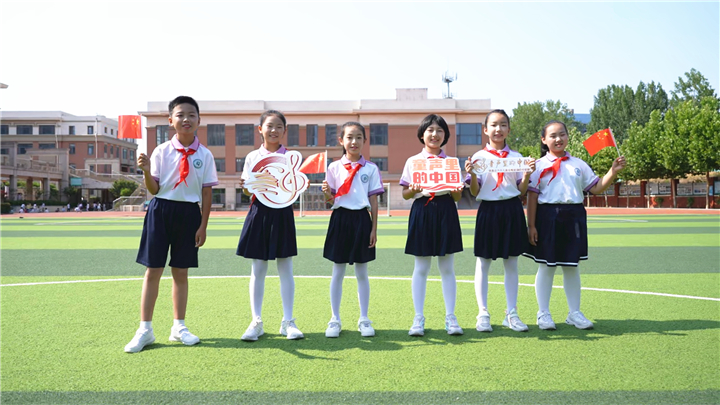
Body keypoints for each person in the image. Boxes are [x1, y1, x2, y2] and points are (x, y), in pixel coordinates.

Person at [124, 96, 219, 353]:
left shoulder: (205, 155)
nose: (186, 119)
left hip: (189, 214)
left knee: (181, 272)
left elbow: (207, 192)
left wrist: (203, 226)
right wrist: (146, 171)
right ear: (170, 120)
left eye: (191, 115)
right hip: (161, 211)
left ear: (199, 120)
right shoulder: (161, 151)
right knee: (153, 270)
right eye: (180, 115)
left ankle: (179, 327)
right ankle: (145, 329)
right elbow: (154, 190)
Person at [524, 120, 626, 330]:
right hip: (547, 216)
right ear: (544, 140)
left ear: (568, 137)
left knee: (571, 266)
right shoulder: (537, 166)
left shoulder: (579, 164)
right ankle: (543, 313)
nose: (558, 139)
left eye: (562, 134)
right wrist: (531, 226)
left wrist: (613, 171)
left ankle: (574, 313)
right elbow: (532, 197)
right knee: (546, 266)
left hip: (574, 216)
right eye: (553, 135)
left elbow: (596, 188)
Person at [464, 109, 535, 333]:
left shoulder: (517, 158)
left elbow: (521, 190)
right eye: (493, 125)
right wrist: (472, 174)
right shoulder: (478, 158)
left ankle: (511, 313)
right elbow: (474, 192)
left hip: (512, 209)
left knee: (511, 262)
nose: (498, 129)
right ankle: (483, 313)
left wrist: (526, 175)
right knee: (483, 262)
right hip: (488, 210)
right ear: (485, 130)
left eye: (503, 124)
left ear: (509, 129)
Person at [237, 110, 304, 341]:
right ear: (260, 129)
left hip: (283, 213)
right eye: (269, 126)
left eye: (279, 126)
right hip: (259, 212)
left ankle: (288, 322)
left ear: (285, 131)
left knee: (285, 267)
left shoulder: (292, 158)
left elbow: (294, 186)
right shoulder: (252, 157)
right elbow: (248, 190)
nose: (274, 130)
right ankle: (256, 321)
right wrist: (246, 186)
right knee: (258, 268)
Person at [401, 114, 464, 337]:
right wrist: (414, 189)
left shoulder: (452, 162)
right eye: (430, 130)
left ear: (445, 135)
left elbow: (456, 197)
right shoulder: (413, 161)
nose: (434, 134)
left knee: (447, 268)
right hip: (422, 210)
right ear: (422, 135)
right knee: (421, 267)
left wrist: (457, 189)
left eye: (439, 130)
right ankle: (418, 317)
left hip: (446, 209)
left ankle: (451, 317)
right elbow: (406, 194)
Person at [321, 122, 384, 338]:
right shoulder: (334, 167)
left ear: (365, 140)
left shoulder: (371, 169)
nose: (354, 141)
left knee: (362, 272)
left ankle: (364, 319)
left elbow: (373, 201)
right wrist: (327, 193)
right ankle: (334, 319)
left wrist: (374, 229)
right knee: (337, 271)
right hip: (340, 219)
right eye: (349, 137)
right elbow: (331, 200)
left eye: (358, 137)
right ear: (341, 140)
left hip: (362, 220)